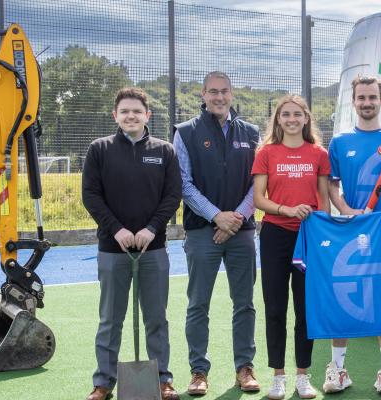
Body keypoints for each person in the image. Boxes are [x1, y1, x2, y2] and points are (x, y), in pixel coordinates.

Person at [82, 87, 182, 400]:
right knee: (111, 319)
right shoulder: (99, 149)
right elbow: (91, 196)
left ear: (147, 115)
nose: (131, 116)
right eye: (124, 111)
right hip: (113, 251)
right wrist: (117, 230)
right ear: (115, 115)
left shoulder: (164, 151)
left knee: (156, 319)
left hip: (153, 251)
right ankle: (103, 383)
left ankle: (162, 379)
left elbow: (172, 196)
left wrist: (153, 228)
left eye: (137, 111)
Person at [323, 75, 381, 396]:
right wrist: (348, 211)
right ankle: (337, 369)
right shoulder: (340, 142)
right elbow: (332, 186)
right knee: (342, 301)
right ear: (354, 101)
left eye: (372, 97)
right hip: (349, 235)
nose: (366, 103)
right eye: (361, 97)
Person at [173, 71, 261, 396]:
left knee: (245, 304)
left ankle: (245, 368)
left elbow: (258, 183)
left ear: (232, 93)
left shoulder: (251, 133)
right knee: (198, 304)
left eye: (224, 92)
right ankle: (198, 372)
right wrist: (216, 216)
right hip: (201, 233)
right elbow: (183, 183)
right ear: (203, 94)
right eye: (213, 92)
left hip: (241, 232)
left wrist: (235, 219)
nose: (219, 97)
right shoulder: (185, 133)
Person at [252, 94, 329, 399]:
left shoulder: (319, 153)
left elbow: (323, 201)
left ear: (306, 118)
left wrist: (319, 229)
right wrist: (287, 210)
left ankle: (303, 376)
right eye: (286, 115)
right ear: (278, 119)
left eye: (297, 114)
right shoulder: (266, 153)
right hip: (274, 236)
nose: (292, 119)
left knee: (305, 310)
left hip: (308, 238)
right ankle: (278, 376)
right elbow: (259, 198)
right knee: (274, 307)